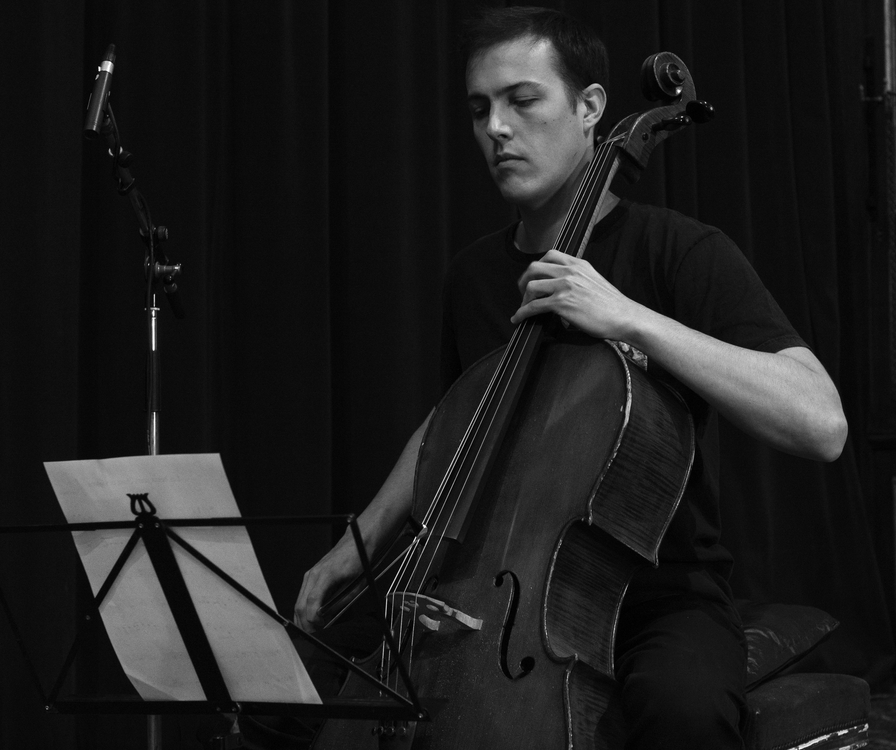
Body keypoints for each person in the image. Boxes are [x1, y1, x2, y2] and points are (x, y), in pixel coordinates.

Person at [292, 7, 846, 749]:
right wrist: (352, 550)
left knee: (682, 710)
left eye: (523, 101)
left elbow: (822, 423)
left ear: (589, 109)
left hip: (659, 594)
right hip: (495, 596)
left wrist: (627, 318)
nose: (496, 128)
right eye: (480, 108)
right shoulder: (474, 278)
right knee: (343, 718)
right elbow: (453, 425)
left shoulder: (677, 251)